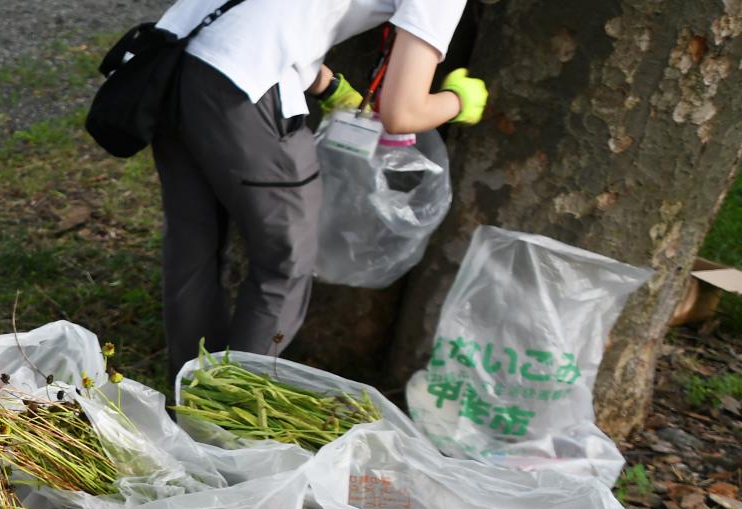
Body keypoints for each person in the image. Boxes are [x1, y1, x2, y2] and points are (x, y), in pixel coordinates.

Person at [149, 0, 490, 378]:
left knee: (192, 245)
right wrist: (458, 100)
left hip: (170, 62)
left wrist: (328, 86)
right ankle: (224, 412)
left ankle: (186, 395)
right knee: (285, 260)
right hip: (246, 83)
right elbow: (402, 113)